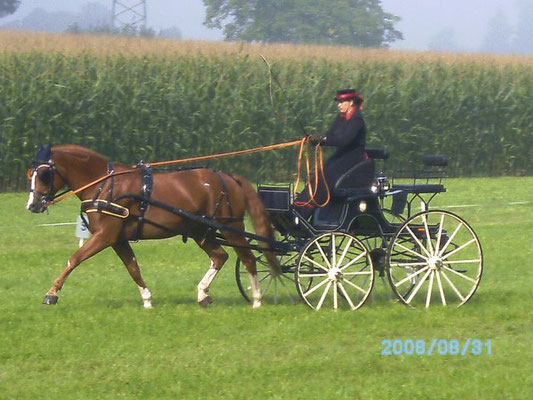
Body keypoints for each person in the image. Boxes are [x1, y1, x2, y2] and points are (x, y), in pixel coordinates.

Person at [293, 89, 366, 219]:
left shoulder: (357, 120)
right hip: (341, 157)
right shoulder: (340, 118)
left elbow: (344, 140)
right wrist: (316, 139)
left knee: (325, 179)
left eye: (342, 102)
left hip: (353, 159)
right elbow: (331, 135)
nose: (339, 105)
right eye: (338, 102)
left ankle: (304, 212)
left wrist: (324, 139)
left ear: (351, 103)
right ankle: (298, 207)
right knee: (318, 176)